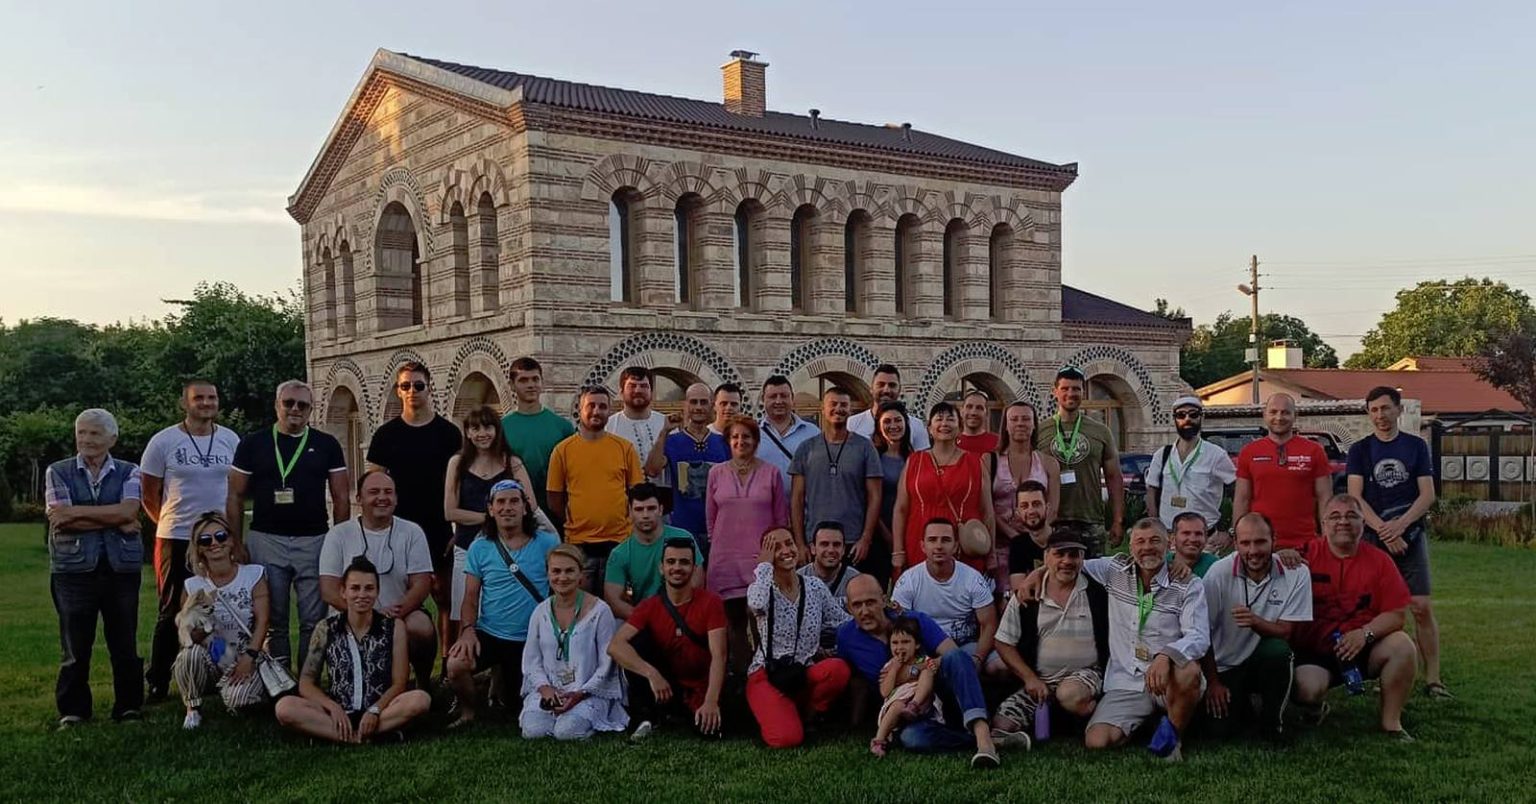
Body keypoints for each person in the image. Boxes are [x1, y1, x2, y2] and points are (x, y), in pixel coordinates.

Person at [227, 380, 349, 671]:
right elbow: (234, 495)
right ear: (276, 405)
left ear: (311, 409)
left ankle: (308, 680)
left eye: (302, 405)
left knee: (313, 619)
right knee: (273, 618)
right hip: (266, 538)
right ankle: (279, 682)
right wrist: (236, 541)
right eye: (289, 403)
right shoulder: (253, 443)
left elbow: (341, 496)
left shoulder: (326, 444)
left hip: (314, 539)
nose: (295, 409)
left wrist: (339, 543)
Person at [140, 379, 242, 701]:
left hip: (220, 538)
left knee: (220, 607)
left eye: (212, 397)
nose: (206, 403)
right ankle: (158, 679)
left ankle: (218, 672)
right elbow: (148, 492)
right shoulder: (163, 441)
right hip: (177, 536)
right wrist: (169, 522)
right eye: (199, 398)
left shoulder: (230, 439)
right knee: (173, 608)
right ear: (185, 403)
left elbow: (237, 489)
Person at [1285, 494, 1418, 741]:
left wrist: (1364, 634)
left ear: (1363, 524)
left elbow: (1397, 614)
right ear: (1323, 524)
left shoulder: (1380, 560)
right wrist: (1282, 555)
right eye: (1335, 516)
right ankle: (1315, 707)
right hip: (1316, 651)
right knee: (1306, 690)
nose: (1343, 522)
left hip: (1363, 646)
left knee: (1403, 646)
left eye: (1351, 516)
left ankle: (1392, 723)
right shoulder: (1304, 555)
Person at [44, 408, 146, 726]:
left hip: (121, 569)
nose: (86, 439)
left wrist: (78, 513)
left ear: (112, 439)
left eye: (94, 433)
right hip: (72, 570)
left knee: (124, 641)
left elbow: (129, 512)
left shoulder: (130, 471)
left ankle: (128, 707)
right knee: (75, 644)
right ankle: (73, 710)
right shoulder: (57, 471)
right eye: (81, 432)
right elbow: (60, 519)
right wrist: (114, 519)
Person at [835, 575, 1001, 768]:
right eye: (857, 605)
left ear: (884, 600)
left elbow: (952, 656)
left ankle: (983, 737)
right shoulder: (846, 636)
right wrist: (856, 722)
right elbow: (856, 680)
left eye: (870, 602)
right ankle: (988, 739)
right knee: (912, 738)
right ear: (849, 608)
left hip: (938, 694)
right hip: (905, 712)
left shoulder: (914, 620)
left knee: (957, 657)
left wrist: (915, 670)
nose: (865, 611)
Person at [1079, 519, 1208, 761]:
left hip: (1166, 678)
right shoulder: (1113, 570)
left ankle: (1172, 739)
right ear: (1130, 547)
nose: (1147, 547)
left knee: (1189, 670)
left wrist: (1166, 655)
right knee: (1097, 741)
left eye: (1154, 541)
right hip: (1126, 679)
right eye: (1140, 541)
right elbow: (1072, 564)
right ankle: (1150, 720)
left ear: (1169, 544)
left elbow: (1199, 636)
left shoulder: (1188, 584)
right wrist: (1037, 574)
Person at [1347, 386, 1446, 698]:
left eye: (1386, 408)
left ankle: (1433, 680)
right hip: (1374, 539)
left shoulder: (1415, 446)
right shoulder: (1360, 450)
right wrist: (1384, 531)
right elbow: (1354, 497)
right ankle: (1383, 670)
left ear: (1398, 410)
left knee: (1420, 606)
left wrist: (1401, 526)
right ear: (1368, 413)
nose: (1381, 415)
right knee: (1377, 611)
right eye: (1374, 410)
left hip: (1411, 536)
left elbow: (1427, 495)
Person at [365, 361, 463, 675]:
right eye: (405, 386)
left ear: (428, 387)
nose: (412, 391)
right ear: (398, 391)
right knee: (399, 601)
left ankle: (448, 666)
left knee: (447, 600)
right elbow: (373, 487)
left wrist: (458, 531)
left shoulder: (449, 434)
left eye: (418, 385)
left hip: (439, 529)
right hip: (397, 532)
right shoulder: (386, 435)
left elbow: (461, 484)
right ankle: (395, 669)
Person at [276, 557, 431, 743]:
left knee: (420, 700)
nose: (362, 595)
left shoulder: (393, 627)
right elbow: (306, 683)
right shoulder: (326, 628)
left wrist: (375, 710)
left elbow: (399, 683)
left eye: (369, 588)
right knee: (285, 707)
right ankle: (363, 736)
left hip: (381, 710)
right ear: (343, 592)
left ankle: (339, 735)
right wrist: (332, 707)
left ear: (377, 592)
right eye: (355, 588)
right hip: (339, 711)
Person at [445, 480, 559, 727]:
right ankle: (468, 712)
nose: (507, 507)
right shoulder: (479, 547)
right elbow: (470, 597)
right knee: (455, 664)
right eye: (501, 502)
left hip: (533, 638)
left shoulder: (547, 543)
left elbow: (561, 589)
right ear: (491, 509)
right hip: (492, 634)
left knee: (517, 707)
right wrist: (467, 631)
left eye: (514, 501)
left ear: (525, 507)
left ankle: (507, 692)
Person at [992, 527, 1110, 745]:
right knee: (1001, 724)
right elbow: (1003, 642)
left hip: (1086, 676)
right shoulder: (1027, 596)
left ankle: (1095, 712)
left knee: (1069, 694)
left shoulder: (1098, 593)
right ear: (1046, 557)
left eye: (1074, 554)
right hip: (1041, 682)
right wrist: (1029, 678)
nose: (1067, 561)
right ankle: (1055, 720)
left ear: (1083, 558)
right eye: (1059, 554)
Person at [318, 470, 436, 685]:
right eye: (374, 492)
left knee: (421, 626)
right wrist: (367, 615)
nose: (382, 497)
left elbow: (421, 583)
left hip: (399, 614)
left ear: (396, 498)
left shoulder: (412, 532)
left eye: (388, 492)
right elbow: (328, 590)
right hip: (351, 615)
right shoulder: (338, 534)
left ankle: (423, 684)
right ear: (359, 498)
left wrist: (393, 614)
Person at [1200, 512, 1312, 739]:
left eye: (1260, 542)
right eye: (1245, 543)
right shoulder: (1218, 573)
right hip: (1224, 664)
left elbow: (1286, 631)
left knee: (1278, 651)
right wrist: (1213, 682)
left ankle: (1273, 724)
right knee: (1219, 732)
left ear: (1274, 540)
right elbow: (1202, 634)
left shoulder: (1296, 572)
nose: (1253, 551)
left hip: (1261, 656)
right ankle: (1243, 705)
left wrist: (1254, 622)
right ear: (1235, 543)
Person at [607, 537, 728, 738]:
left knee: (709, 732)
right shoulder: (649, 606)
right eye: (671, 562)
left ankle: (679, 713)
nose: (677, 568)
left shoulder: (711, 602)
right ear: (661, 568)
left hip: (702, 684)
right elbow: (615, 646)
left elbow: (719, 655)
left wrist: (711, 701)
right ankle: (645, 715)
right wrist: (652, 674)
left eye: (684, 562)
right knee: (636, 643)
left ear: (694, 568)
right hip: (666, 682)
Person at [745, 528, 852, 749]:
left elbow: (842, 621)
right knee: (786, 739)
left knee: (838, 669)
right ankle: (776, 711)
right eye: (776, 547)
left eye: (789, 543)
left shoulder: (814, 586)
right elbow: (756, 604)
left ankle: (810, 714)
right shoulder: (762, 588)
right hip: (768, 674)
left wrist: (877, 618)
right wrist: (764, 566)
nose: (786, 551)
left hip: (802, 671)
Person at [444, 406, 544, 642]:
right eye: (475, 428)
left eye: (488, 427)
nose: (482, 433)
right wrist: (492, 518)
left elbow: (530, 504)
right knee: (465, 612)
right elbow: (450, 511)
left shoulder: (512, 463)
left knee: (502, 613)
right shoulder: (457, 463)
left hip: (508, 549)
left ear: (497, 430)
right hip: (467, 547)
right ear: (468, 432)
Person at [705, 416, 789, 675]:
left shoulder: (771, 473)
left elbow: (781, 519)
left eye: (746, 437)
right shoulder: (715, 473)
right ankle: (741, 679)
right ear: (728, 441)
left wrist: (774, 556)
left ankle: (765, 676)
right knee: (733, 624)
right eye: (735, 437)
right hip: (726, 560)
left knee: (762, 620)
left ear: (756, 441)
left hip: (760, 560)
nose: (741, 441)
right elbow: (711, 519)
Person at [172, 512, 270, 729]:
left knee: (239, 700)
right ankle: (192, 709)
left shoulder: (253, 575)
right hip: (211, 656)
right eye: (205, 540)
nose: (215, 543)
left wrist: (250, 656)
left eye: (220, 536)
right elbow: (186, 635)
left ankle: (239, 692)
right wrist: (200, 627)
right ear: (199, 548)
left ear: (231, 540)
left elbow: (263, 621)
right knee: (189, 655)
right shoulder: (192, 586)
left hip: (245, 655)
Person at [520, 544, 627, 740]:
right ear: (548, 574)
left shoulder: (600, 611)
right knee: (533, 731)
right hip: (550, 690)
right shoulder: (540, 611)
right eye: (556, 571)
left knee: (566, 732)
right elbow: (532, 660)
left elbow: (607, 663)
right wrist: (546, 689)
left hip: (588, 692)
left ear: (581, 575)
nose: (562, 578)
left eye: (569, 571)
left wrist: (580, 693)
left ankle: (585, 720)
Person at [547, 385, 645, 592]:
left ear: (610, 410)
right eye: (591, 406)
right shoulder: (562, 451)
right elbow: (554, 498)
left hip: (619, 543)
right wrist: (574, 520)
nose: (596, 411)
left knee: (617, 603)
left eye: (602, 406)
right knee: (581, 604)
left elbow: (637, 494)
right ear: (579, 409)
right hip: (579, 545)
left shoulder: (624, 448)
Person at [892, 402, 995, 577]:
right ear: (929, 428)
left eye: (950, 419)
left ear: (960, 427)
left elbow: (987, 511)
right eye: (939, 419)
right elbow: (901, 509)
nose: (944, 423)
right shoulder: (915, 461)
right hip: (919, 541)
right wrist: (898, 550)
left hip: (963, 542)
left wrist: (991, 553)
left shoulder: (975, 463)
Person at [892, 519, 1002, 678]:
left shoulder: (972, 578)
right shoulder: (908, 580)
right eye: (932, 540)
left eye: (945, 540)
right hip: (925, 650)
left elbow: (989, 624)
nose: (939, 546)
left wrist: (977, 658)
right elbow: (899, 627)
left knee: (999, 666)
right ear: (923, 546)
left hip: (966, 646)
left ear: (956, 546)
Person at [789, 387, 883, 563]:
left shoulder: (865, 447)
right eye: (833, 404)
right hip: (815, 542)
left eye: (843, 405)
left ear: (850, 409)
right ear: (823, 408)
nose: (838, 409)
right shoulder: (806, 448)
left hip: (853, 542)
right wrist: (800, 543)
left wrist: (866, 538)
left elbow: (875, 496)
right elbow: (797, 499)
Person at [1036, 367, 1123, 556]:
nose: (1071, 393)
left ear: (1083, 391)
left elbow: (1114, 476)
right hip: (1053, 521)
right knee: (1057, 572)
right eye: (1065, 388)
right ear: (1055, 391)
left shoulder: (1101, 431)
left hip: (1090, 520)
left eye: (1076, 388)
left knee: (1094, 572)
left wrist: (1118, 520)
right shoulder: (1040, 431)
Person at [1233, 392, 1332, 551]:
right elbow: (1242, 499)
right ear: (1264, 415)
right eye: (1273, 412)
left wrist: (1327, 539)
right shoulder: (1249, 452)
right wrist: (1238, 537)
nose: (1279, 417)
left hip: (1305, 543)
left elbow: (1325, 498)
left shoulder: (1314, 451)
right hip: (1260, 543)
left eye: (1285, 412)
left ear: (1295, 416)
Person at [646, 382, 728, 557]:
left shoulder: (723, 442)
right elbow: (652, 470)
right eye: (693, 402)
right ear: (686, 405)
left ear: (712, 405)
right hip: (683, 527)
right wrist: (664, 433)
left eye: (703, 402)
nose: (698, 407)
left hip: (718, 528)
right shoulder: (672, 441)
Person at [1145, 396, 1237, 551]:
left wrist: (1230, 531)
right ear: (1174, 419)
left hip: (1205, 540)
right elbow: (1151, 491)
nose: (1187, 419)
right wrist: (1155, 527)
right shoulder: (1162, 455)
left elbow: (1239, 491)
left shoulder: (1216, 455)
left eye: (1193, 414)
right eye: (1181, 415)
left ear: (1201, 417)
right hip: (1169, 539)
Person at [605, 483, 703, 620]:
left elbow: (697, 583)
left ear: (661, 510)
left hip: (684, 615)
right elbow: (613, 600)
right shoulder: (619, 554)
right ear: (630, 512)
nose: (645, 515)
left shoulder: (684, 538)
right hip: (642, 618)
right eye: (639, 509)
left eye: (651, 508)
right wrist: (647, 620)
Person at [992, 402, 1060, 589]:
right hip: (999, 545)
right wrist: (1014, 536)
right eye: (1014, 419)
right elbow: (987, 505)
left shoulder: (1049, 463)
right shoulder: (990, 461)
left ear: (1034, 424)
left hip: (1037, 545)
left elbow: (1053, 508)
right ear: (1006, 425)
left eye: (1026, 419)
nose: (1020, 423)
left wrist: (1031, 539)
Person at [500, 356, 575, 514]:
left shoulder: (563, 427)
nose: (531, 385)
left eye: (535, 379)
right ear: (512, 385)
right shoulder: (501, 428)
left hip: (556, 512)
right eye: (523, 380)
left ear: (542, 382)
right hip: (515, 512)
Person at [870, 616, 942, 757]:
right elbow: (885, 692)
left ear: (917, 644)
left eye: (905, 642)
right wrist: (895, 670)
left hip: (921, 703)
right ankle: (879, 740)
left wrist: (928, 668)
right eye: (895, 643)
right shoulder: (889, 666)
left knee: (927, 672)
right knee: (897, 705)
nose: (899, 647)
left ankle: (913, 705)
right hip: (899, 703)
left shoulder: (924, 660)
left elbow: (934, 669)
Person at [867, 400, 914, 585]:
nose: (893, 426)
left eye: (898, 420)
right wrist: (887, 535)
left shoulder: (915, 458)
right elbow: (869, 499)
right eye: (887, 421)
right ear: (879, 426)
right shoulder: (874, 458)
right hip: (879, 533)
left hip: (910, 532)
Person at [606, 366, 670, 486]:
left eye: (644, 386)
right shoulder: (609, 427)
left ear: (651, 392)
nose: (638, 390)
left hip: (662, 495)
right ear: (621, 392)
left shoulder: (667, 424)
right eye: (632, 386)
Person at [757, 375, 821, 491]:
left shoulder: (812, 432)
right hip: (764, 502)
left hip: (804, 501)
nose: (778, 401)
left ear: (792, 398)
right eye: (772, 396)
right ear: (763, 399)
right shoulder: (753, 434)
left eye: (784, 396)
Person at [848, 364, 931, 450]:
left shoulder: (916, 425)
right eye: (881, 385)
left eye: (892, 385)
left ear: (899, 390)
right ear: (871, 388)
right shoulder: (852, 424)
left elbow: (922, 457)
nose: (886, 390)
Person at [1167, 512, 1218, 577]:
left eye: (1198, 534)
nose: (1192, 539)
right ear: (1173, 538)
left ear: (1206, 538)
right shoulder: (1162, 565)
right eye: (1186, 533)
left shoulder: (1216, 566)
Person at [957, 389, 1000, 454]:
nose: (973, 413)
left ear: (987, 413)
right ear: (961, 411)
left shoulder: (998, 443)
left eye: (979, 408)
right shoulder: (951, 443)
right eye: (969, 407)